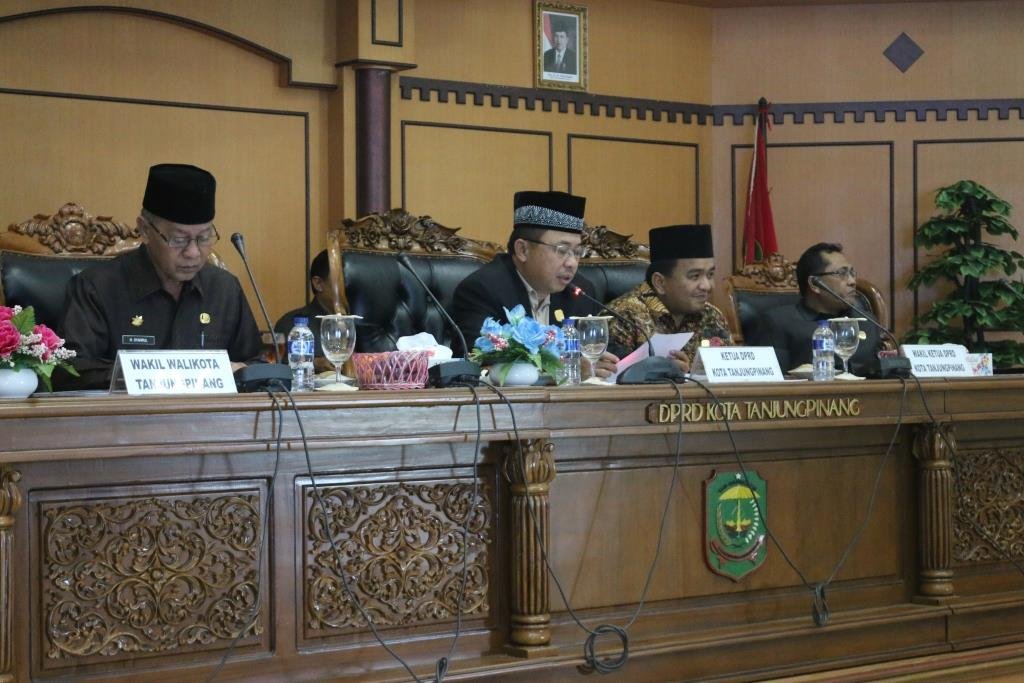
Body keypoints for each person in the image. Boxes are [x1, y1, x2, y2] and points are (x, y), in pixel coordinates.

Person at [61, 163, 261, 389]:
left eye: (204, 238)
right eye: (178, 239)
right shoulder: (96, 287)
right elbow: (71, 371)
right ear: (145, 230)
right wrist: (167, 373)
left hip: (209, 413)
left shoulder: (224, 289)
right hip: (127, 412)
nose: (193, 252)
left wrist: (245, 372)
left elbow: (255, 364)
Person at [452, 190, 617, 376]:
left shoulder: (581, 291)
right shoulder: (482, 290)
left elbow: (597, 355)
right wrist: (567, 369)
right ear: (523, 250)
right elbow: (478, 365)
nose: (572, 263)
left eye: (577, 252)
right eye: (562, 250)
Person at [606, 224, 733, 373]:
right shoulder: (623, 317)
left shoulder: (712, 316)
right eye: (695, 276)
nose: (706, 286)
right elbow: (610, 379)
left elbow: (731, 375)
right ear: (660, 282)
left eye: (710, 275)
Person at [747, 242, 882, 372]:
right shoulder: (777, 323)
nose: (852, 281)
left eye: (852, 273)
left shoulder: (867, 322)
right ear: (814, 284)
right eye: (841, 273)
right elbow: (772, 380)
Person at [274, 249, 335, 372]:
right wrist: (311, 363)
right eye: (342, 280)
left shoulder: (363, 324)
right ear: (318, 283)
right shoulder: (291, 324)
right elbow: (275, 368)